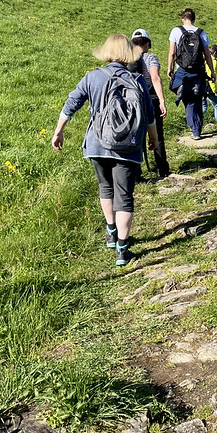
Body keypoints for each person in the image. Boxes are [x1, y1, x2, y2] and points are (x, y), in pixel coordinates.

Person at [51, 34, 158, 266]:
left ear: (106, 51)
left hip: (97, 144)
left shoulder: (93, 77)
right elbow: (150, 116)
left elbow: (72, 103)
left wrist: (59, 131)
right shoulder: (138, 80)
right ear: (129, 53)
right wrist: (154, 139)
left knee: (105, 188)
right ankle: (122, 248)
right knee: (125, 196)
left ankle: (111, 231)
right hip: (128, 148)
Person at [168, 8, 215, 140]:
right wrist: (212, 71)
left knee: (188, 100)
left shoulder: (176, 31)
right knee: (198, 98)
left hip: (183, 71)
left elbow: (172, 52)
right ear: (194, 19)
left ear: (182, 19)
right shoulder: (201, 32)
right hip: (198, 71)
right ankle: (197, 128)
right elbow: (207, 54)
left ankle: (195, 129)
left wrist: (169, 67)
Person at [131, 28, 170, 177]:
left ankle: (137, 172)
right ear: (147, 43)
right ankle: (162, 169)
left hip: (133, 102)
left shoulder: (127, 59)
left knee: (136, 136)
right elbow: (155, 79)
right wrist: (162, 101)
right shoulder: (151, 58)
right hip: (151, 100)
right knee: (157, 135)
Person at [202, 44, 217, 124]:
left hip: (201, 84)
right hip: (209, 87)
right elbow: (211, 78)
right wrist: (215, 90)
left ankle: (195, 120)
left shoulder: (204, 59)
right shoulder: (213, 62)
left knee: (204, 106)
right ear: (215, 53)